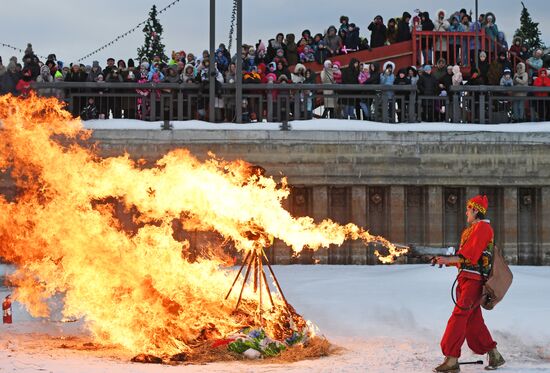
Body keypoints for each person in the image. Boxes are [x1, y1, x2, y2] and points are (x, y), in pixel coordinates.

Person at [434, 195, 505, 372]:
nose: (466, 212)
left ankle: (451, 359)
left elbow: (469, 256)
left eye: (468, 209)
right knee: (473, 321)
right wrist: (445, 260)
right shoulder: (470, 230)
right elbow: (464, 259)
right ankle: (494, 355)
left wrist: (448, 259)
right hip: (466, 280)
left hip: (474, 282)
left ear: (475, 210)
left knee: (459, 317)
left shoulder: (483, 228)